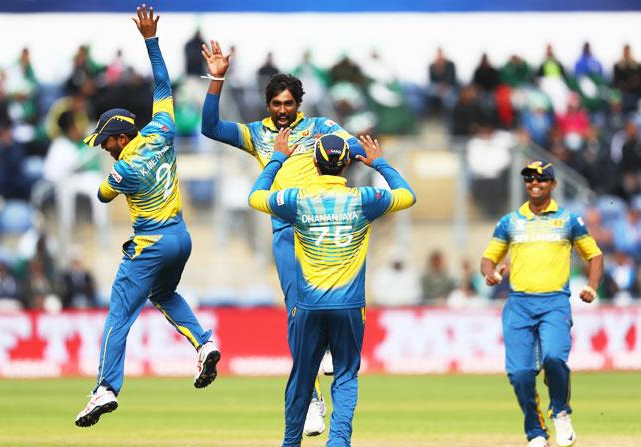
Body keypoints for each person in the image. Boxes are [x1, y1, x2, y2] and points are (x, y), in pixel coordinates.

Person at [201, 39, 366, 436]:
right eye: (275, 104)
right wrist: (216, 78)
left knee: (328, 304)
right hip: (284, 232)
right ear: (267, 105)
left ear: (299, 103)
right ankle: (311, 397)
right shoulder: (258, 134)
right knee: (296, 316)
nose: (282, 111)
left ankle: (327, 354)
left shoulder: (320, 128)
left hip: (324, 231)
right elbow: (210, 127)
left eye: (288, 104)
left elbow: (356, 147)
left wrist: (355, 152)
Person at [75, 4, 219, 428]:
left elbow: (102, 196)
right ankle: (205, 343)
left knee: (120, 314)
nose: (104, 147)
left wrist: (112, 176)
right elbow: (162, 84)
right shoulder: (162, 131)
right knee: (164, 294)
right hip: (182, 238)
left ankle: (105, 388)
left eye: (105, 141)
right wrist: (152, 42)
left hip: (152, 242)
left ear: (122, 136)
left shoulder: (123, 168)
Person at [249, 132, 415, 447]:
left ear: (314, 162)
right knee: (345, 376)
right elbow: (407, 195)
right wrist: (379, 163)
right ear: (347, 165)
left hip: (309, 305)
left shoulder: (298, 200)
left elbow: (255, 196)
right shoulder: (364, 199)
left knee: (301, 378)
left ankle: (290, 443)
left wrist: (278, 157)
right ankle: (338, 442)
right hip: (350, 305)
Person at [480, 160, 604, 447]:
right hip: (518, 305)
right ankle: (536, 432)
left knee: (554, 358)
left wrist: (592, 286)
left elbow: (594, 255)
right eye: (529, 179)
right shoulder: (510, 222)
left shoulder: (568, 220)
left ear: (553, 184)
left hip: (554, 303)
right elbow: (489, 258)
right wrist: (490, 273)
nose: (535, 184)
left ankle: (560, 411)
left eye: (542, 179)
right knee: (520, 374)